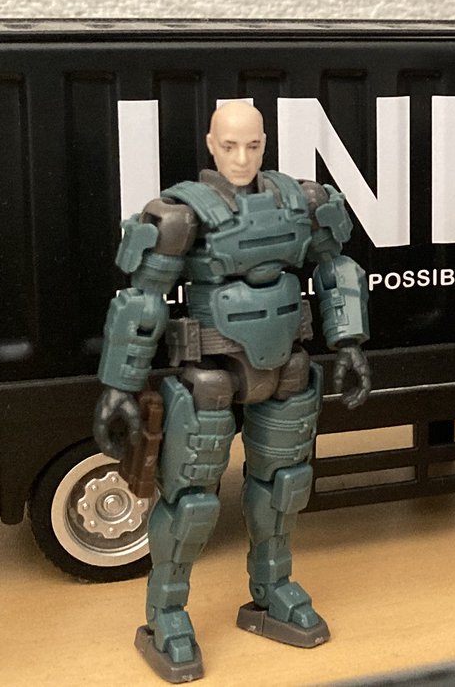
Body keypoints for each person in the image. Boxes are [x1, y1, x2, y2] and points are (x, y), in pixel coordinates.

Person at [94, 100, 371, 682]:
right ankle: (167, 613)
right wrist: (120, 385)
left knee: (284, 485)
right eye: (229, 146)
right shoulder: (179, 214)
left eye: (252, 145)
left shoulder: (303, 201)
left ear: (265, 142)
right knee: (192, 503)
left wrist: (348, 342)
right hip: (209, 377)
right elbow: (142, 300)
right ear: (210, 145)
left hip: (286, 369)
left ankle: (273, 587)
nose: (242, 157)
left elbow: (336, 269)